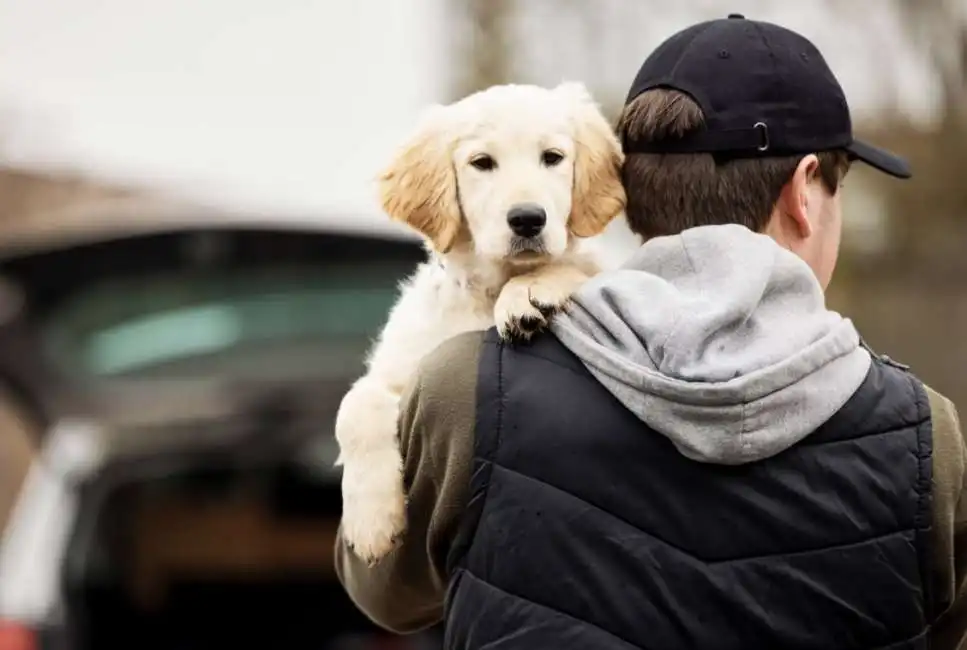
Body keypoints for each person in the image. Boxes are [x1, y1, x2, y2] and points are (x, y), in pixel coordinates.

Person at [334, 13, 967, 649]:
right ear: (806, 191)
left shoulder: (462, 387)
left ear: (625, 191)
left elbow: (388, 593)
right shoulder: (924, 434)